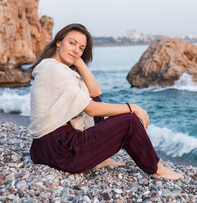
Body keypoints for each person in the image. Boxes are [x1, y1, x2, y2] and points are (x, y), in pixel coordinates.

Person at [28, 23, 183, 180]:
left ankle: (98, 159)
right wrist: (132, 107)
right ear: (59, 42)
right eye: (72, 43)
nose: (76, 50)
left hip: (41, 150)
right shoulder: (54, 70)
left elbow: (95, 92)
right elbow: (92, 110)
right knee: (129, 122)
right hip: (61, 151)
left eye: (81, 48)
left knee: (95, 99)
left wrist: (78, 61)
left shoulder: (51, 67)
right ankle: (157, 169)